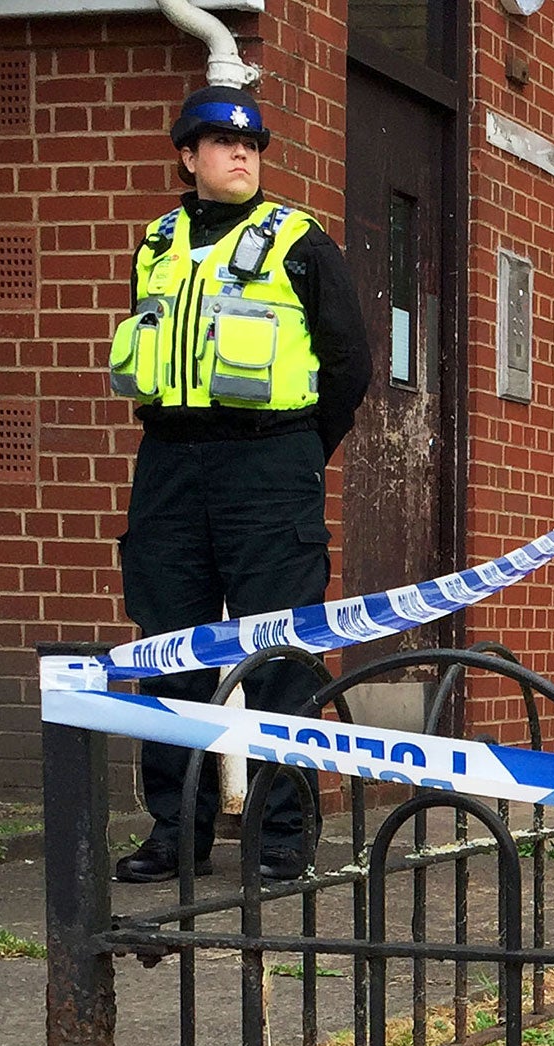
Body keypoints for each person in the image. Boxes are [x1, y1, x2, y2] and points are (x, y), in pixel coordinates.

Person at [108, 84, 372, 884]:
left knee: (277, 652)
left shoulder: (299, 241)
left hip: (269, 461)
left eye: (252, 146)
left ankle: (282, 834)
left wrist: (294, 453)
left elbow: (349, 364)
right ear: (187, 158)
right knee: (170, 647)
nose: (242, 156)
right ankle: (175, 831)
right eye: (223, 145)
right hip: (170, 462)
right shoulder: (156, 242)